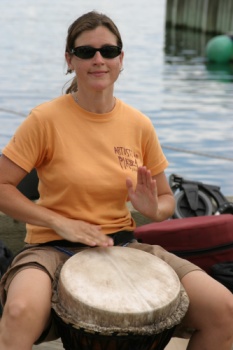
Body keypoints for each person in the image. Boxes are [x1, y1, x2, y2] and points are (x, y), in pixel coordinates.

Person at [0, 10, 232, 350]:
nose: (98, 59)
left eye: (108, 51)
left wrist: (153, 208)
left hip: (123, 246)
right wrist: (60, 223)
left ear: (121, 59)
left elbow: (166, 201)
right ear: (69, 59)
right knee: (20, 310)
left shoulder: (139, 125)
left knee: (224, 310)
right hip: (52, 247)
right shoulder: (44, 120)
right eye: (86, 51)